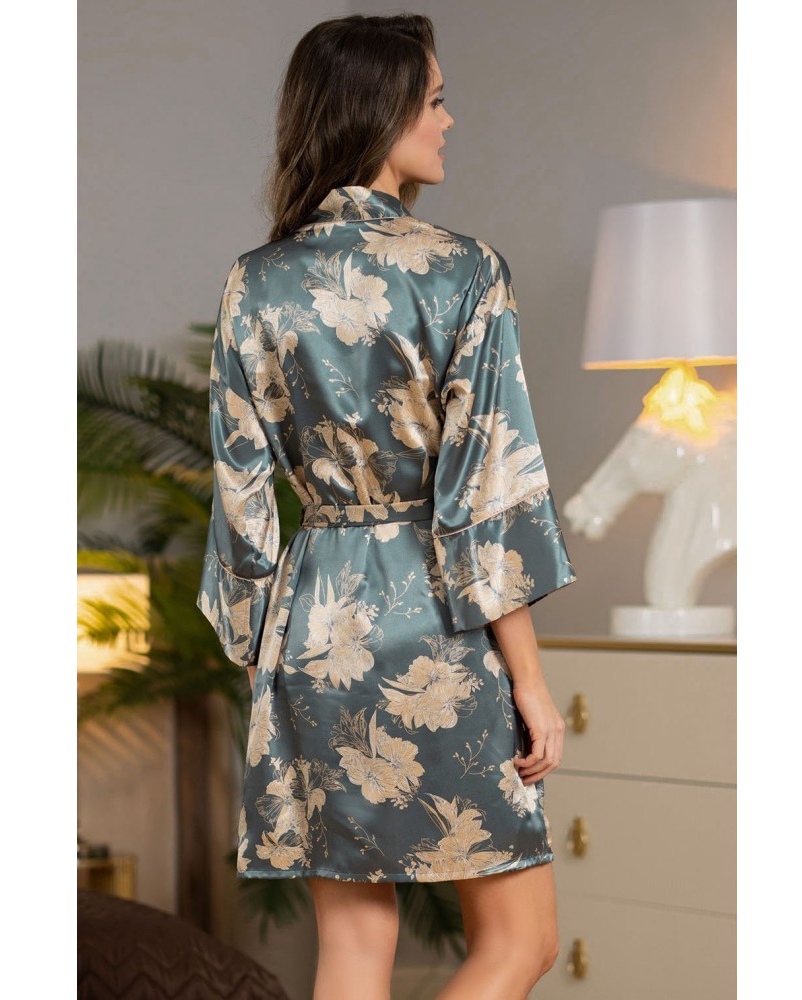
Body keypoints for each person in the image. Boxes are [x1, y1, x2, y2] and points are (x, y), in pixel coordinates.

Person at [197, 13, 578, 999]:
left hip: (312, 626)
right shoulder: (464, 270)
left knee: (354, 951)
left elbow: (241, 497)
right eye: (435, 100)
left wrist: (262, 651)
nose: (450, 120)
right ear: (382, 108)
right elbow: (487, 492)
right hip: (436, 625)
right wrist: (531, 683)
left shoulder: (254, 282)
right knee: (522, 942)